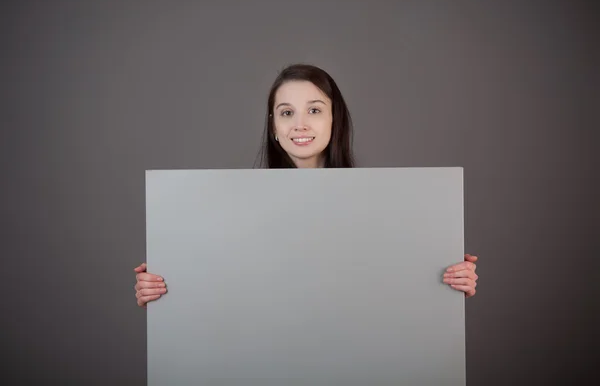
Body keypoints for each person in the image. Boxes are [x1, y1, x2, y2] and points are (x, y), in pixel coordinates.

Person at [133, 63, 479, 307]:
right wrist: (164, 288)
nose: (299, 124)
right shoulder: (233, 213)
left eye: (314, 110)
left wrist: (447, 280)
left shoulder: (383, 211)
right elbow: (225, 290)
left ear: (334, 118)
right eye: (286, 113)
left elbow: (388, 291)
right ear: (273, 127)